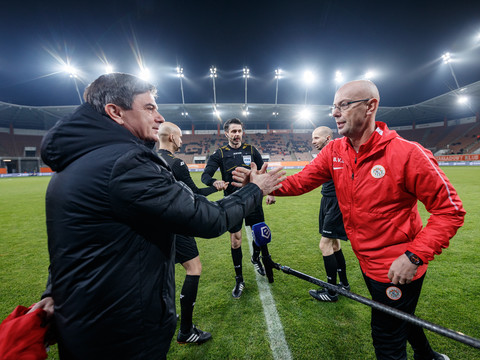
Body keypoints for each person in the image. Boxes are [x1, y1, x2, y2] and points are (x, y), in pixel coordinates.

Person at [37, 72, 285, 359]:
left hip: (86, 320)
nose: (159, 117)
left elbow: (72, 246)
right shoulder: (125, 163)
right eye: (149, 107)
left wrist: (53, 292)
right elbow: (210, 219)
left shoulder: (76, 161)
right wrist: (255, 189)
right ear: (115, 112)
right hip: (122, 330)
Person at [237, 80, 465, 360]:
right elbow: (301, 181)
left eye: (344, 105)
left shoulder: (408, 154)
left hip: (398, 266)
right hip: (367, 261)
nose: (335, 112)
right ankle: (427, 356)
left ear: (371, 107)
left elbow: (450, 210)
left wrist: (415, 255)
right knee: (399, 316)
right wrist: (262, 186)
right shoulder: (335, 151)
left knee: (387, 338)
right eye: (334, 106)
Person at [157, 121, 224, 344]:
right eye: (180, 136)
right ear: (172, 138)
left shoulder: (149, 159)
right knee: (193, 268)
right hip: (177, 224)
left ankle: (163, 317)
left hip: (153, 226)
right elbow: (194, 194)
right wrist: (216, 187)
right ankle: (186, 331)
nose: (182, 140)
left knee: (162, 272)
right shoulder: (178, 164)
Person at [201, 118, 276, 298]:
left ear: (242, 132)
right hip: (233, 202)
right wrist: (214, 182)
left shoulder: (251, 150)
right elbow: (205, 176)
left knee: (259, 235)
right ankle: (239, 279)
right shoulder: (219, 154)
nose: (237, 134)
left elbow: (263, 173)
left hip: (253, 199)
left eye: (239, 131)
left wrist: (271, 192)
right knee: (236, 240)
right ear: (226, 133)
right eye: (233, 131)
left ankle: (256, 258)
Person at [308, 126, 350, 302]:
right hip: (327, 201)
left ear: (327, 137)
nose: (313, 141)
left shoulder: (338, 151)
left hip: (336, 203)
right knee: (334, 245)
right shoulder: (324, 155)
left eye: (316, 138)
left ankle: (331, 292)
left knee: (324, 245)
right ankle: (344, 285)